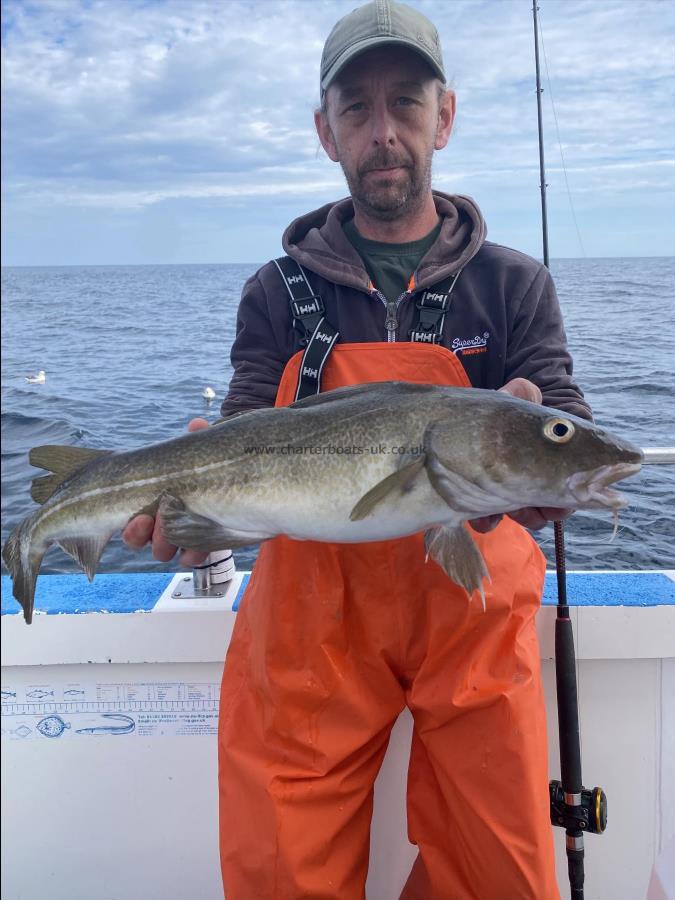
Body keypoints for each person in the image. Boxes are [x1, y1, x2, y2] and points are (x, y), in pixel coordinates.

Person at [124, 1, 592, 896]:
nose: (384, 133)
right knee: (281, 871)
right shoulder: (275, 290)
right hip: (309, 629)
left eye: (405, 105)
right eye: (356, 109)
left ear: (443, 117)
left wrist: (540, 454)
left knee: (500, 870)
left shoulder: (513, 285)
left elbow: (560, 414)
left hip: (473, 623)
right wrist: (195, 518)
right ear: (324, 133)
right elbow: (238, 438)